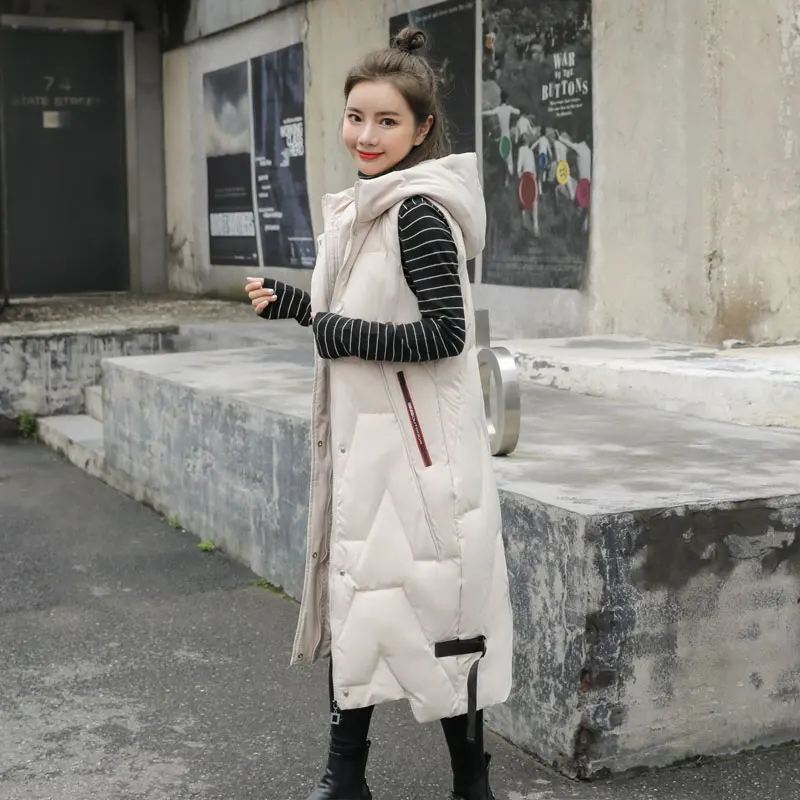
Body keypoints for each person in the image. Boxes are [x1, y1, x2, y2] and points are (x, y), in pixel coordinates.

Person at [244, 26, 513, 800]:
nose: (366, 135)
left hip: (420, 467)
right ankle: (346, 779)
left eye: (387, 121)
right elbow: (364, 316)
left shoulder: (416, 213)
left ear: (422, 129)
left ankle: (470, 784)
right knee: (361, 614)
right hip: (374, 455)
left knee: (445, 628)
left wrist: (329, 330)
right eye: (356, 116)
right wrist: (300, 308)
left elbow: (445, 335)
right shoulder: (366, 210)